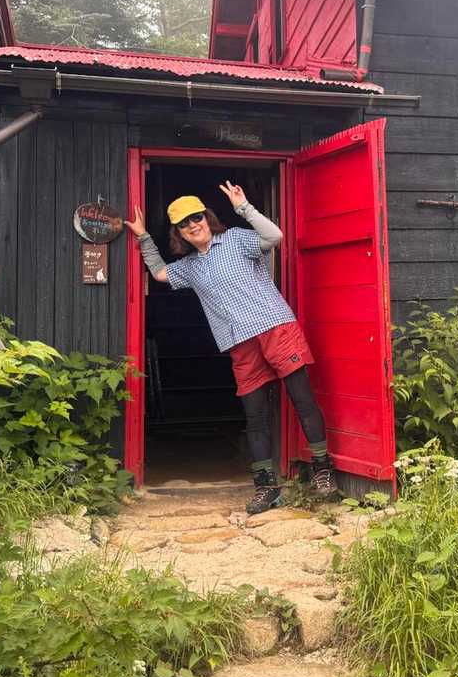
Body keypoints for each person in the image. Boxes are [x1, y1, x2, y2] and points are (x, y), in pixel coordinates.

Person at [125, 182, 339, 513]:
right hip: (239, 342)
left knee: (301, 399)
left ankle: (323, 471)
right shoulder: (190, 267)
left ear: (207, 217)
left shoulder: (237, 238)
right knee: (255, 415)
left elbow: (274, 237)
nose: (193, 225)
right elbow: (160, 274)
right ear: (178, 233)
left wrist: (244, 208)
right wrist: (143, 237)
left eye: (196, 217)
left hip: (275, 327)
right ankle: (266, 487)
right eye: (184, 224)